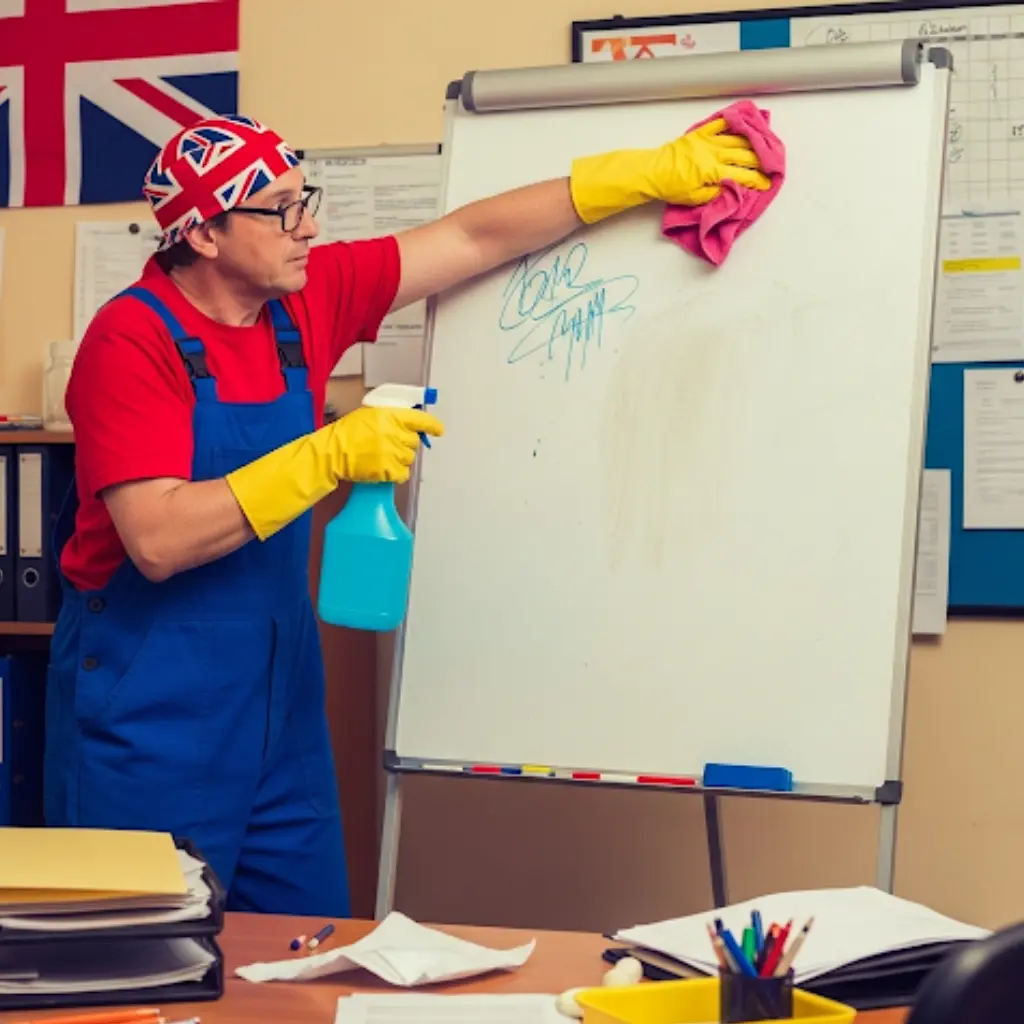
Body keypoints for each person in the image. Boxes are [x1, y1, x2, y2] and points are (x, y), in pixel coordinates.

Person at [43, 113, 769, 916]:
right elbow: (157, 537)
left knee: (308, 955)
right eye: (280, 209)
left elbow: (471, 238)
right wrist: (327, 455)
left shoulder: (305, 301)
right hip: (150, 728)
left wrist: (637, 176)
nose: (308, 225)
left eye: (304, 198)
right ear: (207, 233)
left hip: (279, 724)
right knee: (146, 972)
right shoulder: (129, 340)